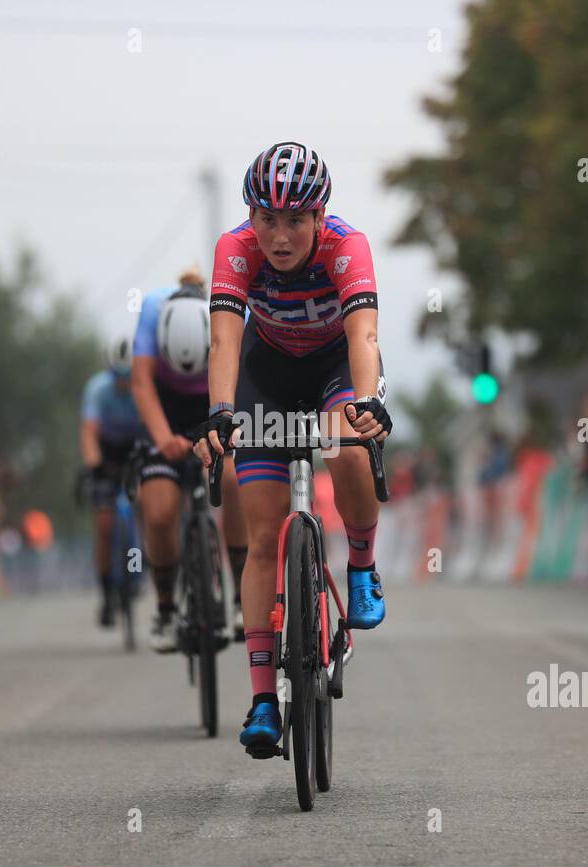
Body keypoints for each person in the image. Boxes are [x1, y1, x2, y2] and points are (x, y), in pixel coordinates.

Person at [193, 141, 392, 756]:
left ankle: (360, 564)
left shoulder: (346, 246)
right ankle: (260, 702)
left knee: (347, 445)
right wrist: (221, 416)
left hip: (336, 366)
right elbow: (225, 343)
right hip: (267, 374)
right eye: (267, 220)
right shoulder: (235, 250)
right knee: (261, 535)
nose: (280, 237)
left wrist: (366, 403)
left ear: (319, 214)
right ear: (250, 217)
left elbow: (363, 332)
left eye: (296, 221)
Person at [131, 272, 247, 652]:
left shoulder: (233, 313)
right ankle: (165, 608)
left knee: (232, 481)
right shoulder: (151, 310)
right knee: (160, 511)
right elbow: (142, 384)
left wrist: (220, 440)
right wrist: (164, 440)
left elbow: (244, 382)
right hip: (164, 408)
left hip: (214, 401)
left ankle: (241, 596)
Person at [79, 334, 143, 627]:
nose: (123, 382)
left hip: (134, 449)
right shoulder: (97, 389)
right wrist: (94, 464)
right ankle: (107, 594)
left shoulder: (143, 386)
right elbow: (89, 432)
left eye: (128, 376)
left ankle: (144, 561)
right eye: (118, 376)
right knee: (104, 526)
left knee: (149, 502)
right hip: (106, 453)